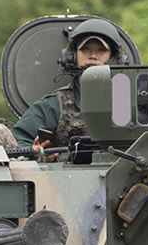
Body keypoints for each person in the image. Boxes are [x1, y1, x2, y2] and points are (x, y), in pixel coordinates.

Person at [11, 19, 133, 153]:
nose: (92, 56)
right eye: (85, 49)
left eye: (101, 50)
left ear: (115, 59)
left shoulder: (130, 102)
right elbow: (18, 140)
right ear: (72, 57)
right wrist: (34, 152)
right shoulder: (54, 105)